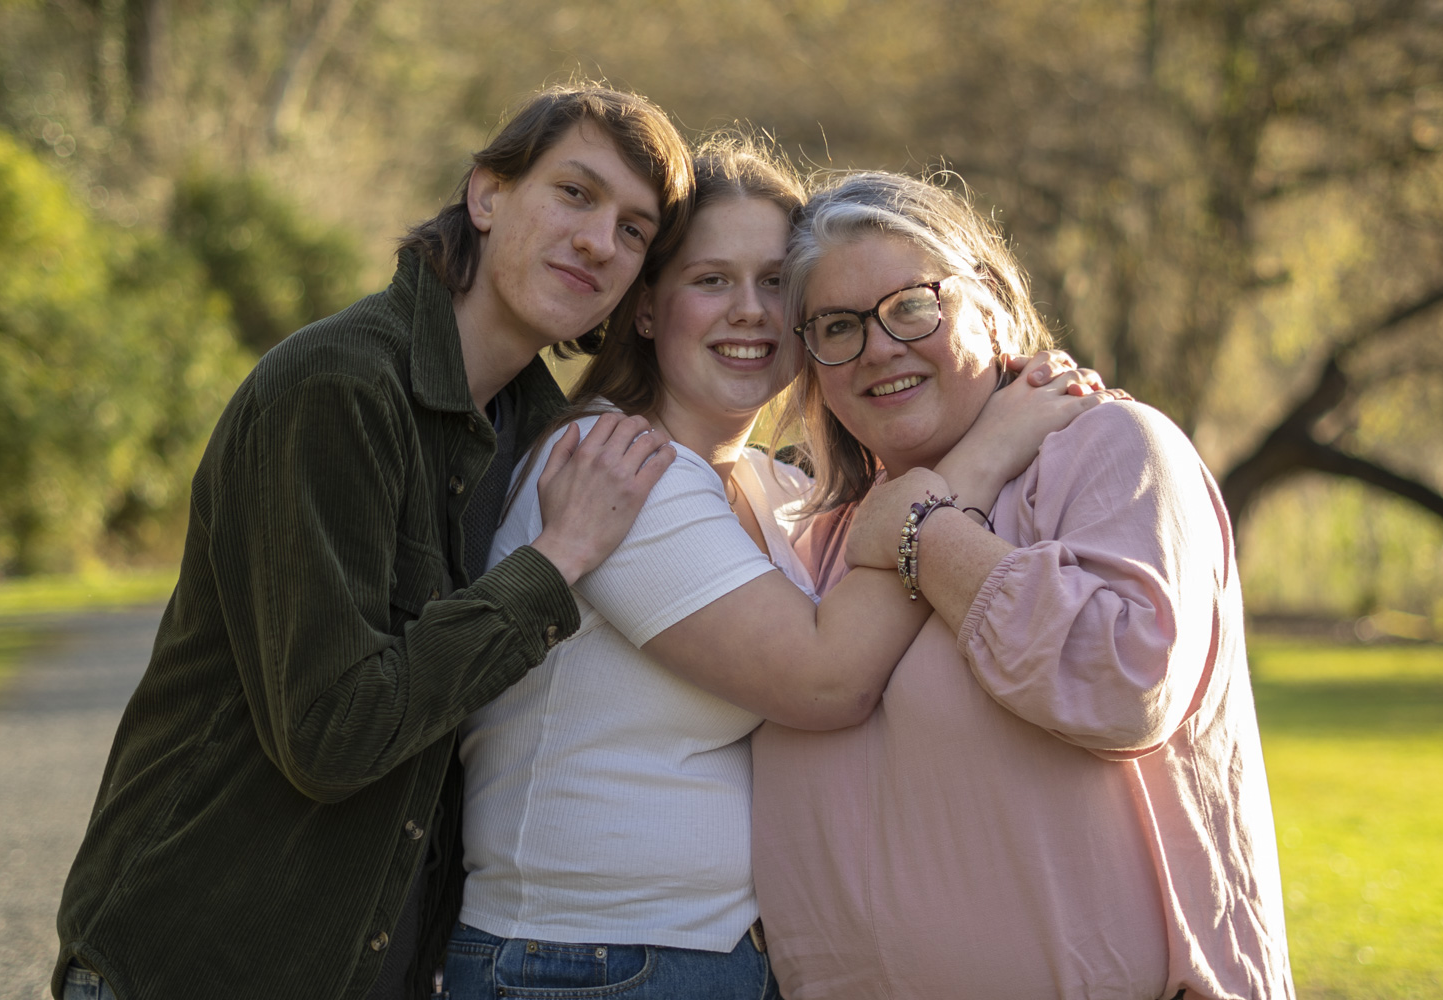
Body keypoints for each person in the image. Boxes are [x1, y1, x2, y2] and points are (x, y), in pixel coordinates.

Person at [53, 85, 693, 1000]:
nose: (601, 240)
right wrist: (554, 562)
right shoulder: (338, 388)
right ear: (486, 195)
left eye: (635, 230)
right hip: (195, 963)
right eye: (576, 194)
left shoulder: (546, 441)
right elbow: (332, 734)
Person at [442, 138, 1114, 1000]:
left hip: (706, 956)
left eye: (776, 286)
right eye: (712, 280)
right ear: (646, 309)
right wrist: (981, 460)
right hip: (584, 960)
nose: (751, 312)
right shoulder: (614, 464)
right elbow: (826, 680)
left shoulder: (778, 488)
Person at [750, 170, 1296, 999]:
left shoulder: (1110, 448)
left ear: (995, 305)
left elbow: (1124, 680)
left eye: (912, 305)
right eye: (837, 326)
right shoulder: (827, 537)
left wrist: (927, 536)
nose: (880, 348)